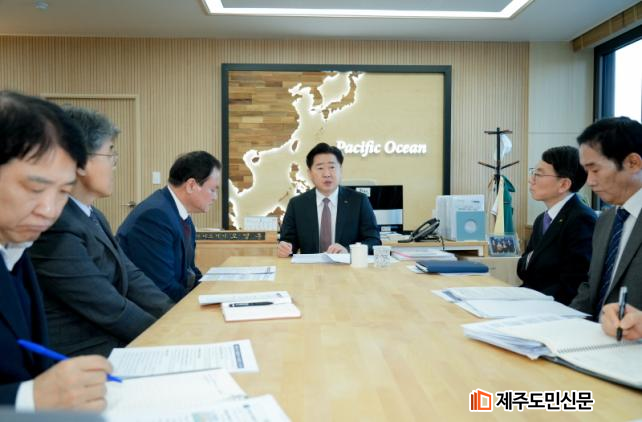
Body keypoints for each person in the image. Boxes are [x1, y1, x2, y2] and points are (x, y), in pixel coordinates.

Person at [29, 106, 173, 357]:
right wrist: (168, 334)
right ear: (80, 161)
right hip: (80, 356)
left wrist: (175, 314)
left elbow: (133, 277)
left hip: (110, 341)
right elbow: (107, 306)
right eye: (110, 155)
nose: (114, 166)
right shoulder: (55, 225)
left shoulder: (92, 214)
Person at [0, 91, 111, 410]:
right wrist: (28, 398)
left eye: (63, 192)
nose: (49, 210)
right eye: (35, 188)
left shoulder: (16, 247)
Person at [117, 151, 220, 302]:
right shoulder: (155, 216)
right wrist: (199, 302)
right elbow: (163, 288)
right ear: (191, 185)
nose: (215, 197)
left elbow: (189, 272)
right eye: (212, 189)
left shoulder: (180, 214)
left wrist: (212, 294)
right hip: (152, 310)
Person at [571, 116, 642, 319]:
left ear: (633, 163)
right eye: (586, 171)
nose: (590, 181)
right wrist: (567, 322)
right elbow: (592, 285)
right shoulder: (605, 219)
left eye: (595, 170)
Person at [517, 146, 596, 304]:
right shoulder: (542, 220)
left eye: (539, 174)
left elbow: (573, 284)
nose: (531, 179)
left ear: (564, 184)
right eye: (533, 172)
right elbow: (523, 268)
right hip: (532, 300)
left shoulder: (581, 219)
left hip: (555, 308)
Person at [278, 142, 381, 257]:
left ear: (340, 170)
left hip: (346, 266)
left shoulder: (359, 201)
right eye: (320, 168)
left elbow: (374, 241)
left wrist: (348, 251)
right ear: (310, 173)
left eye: (332, 167)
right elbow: (288, 241)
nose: (327, 174)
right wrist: (285, 247)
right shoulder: (297, 204)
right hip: (310, 267)